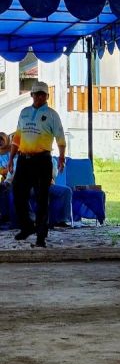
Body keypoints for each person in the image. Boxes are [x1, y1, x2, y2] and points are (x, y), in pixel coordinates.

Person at [6, 81, 66, 248]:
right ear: (31, 95)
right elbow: (17, 138)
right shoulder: (24, 113)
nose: (39, 97)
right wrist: (11, 159)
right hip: (24, 160)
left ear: (47, 96)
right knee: (17, 192)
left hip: (42, 160)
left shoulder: (52, 115)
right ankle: (27, 226)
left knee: (42, 198)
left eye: (42, 94)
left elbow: (60, 137)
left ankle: (41, 235)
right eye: (36, 94)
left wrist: (61, 157)